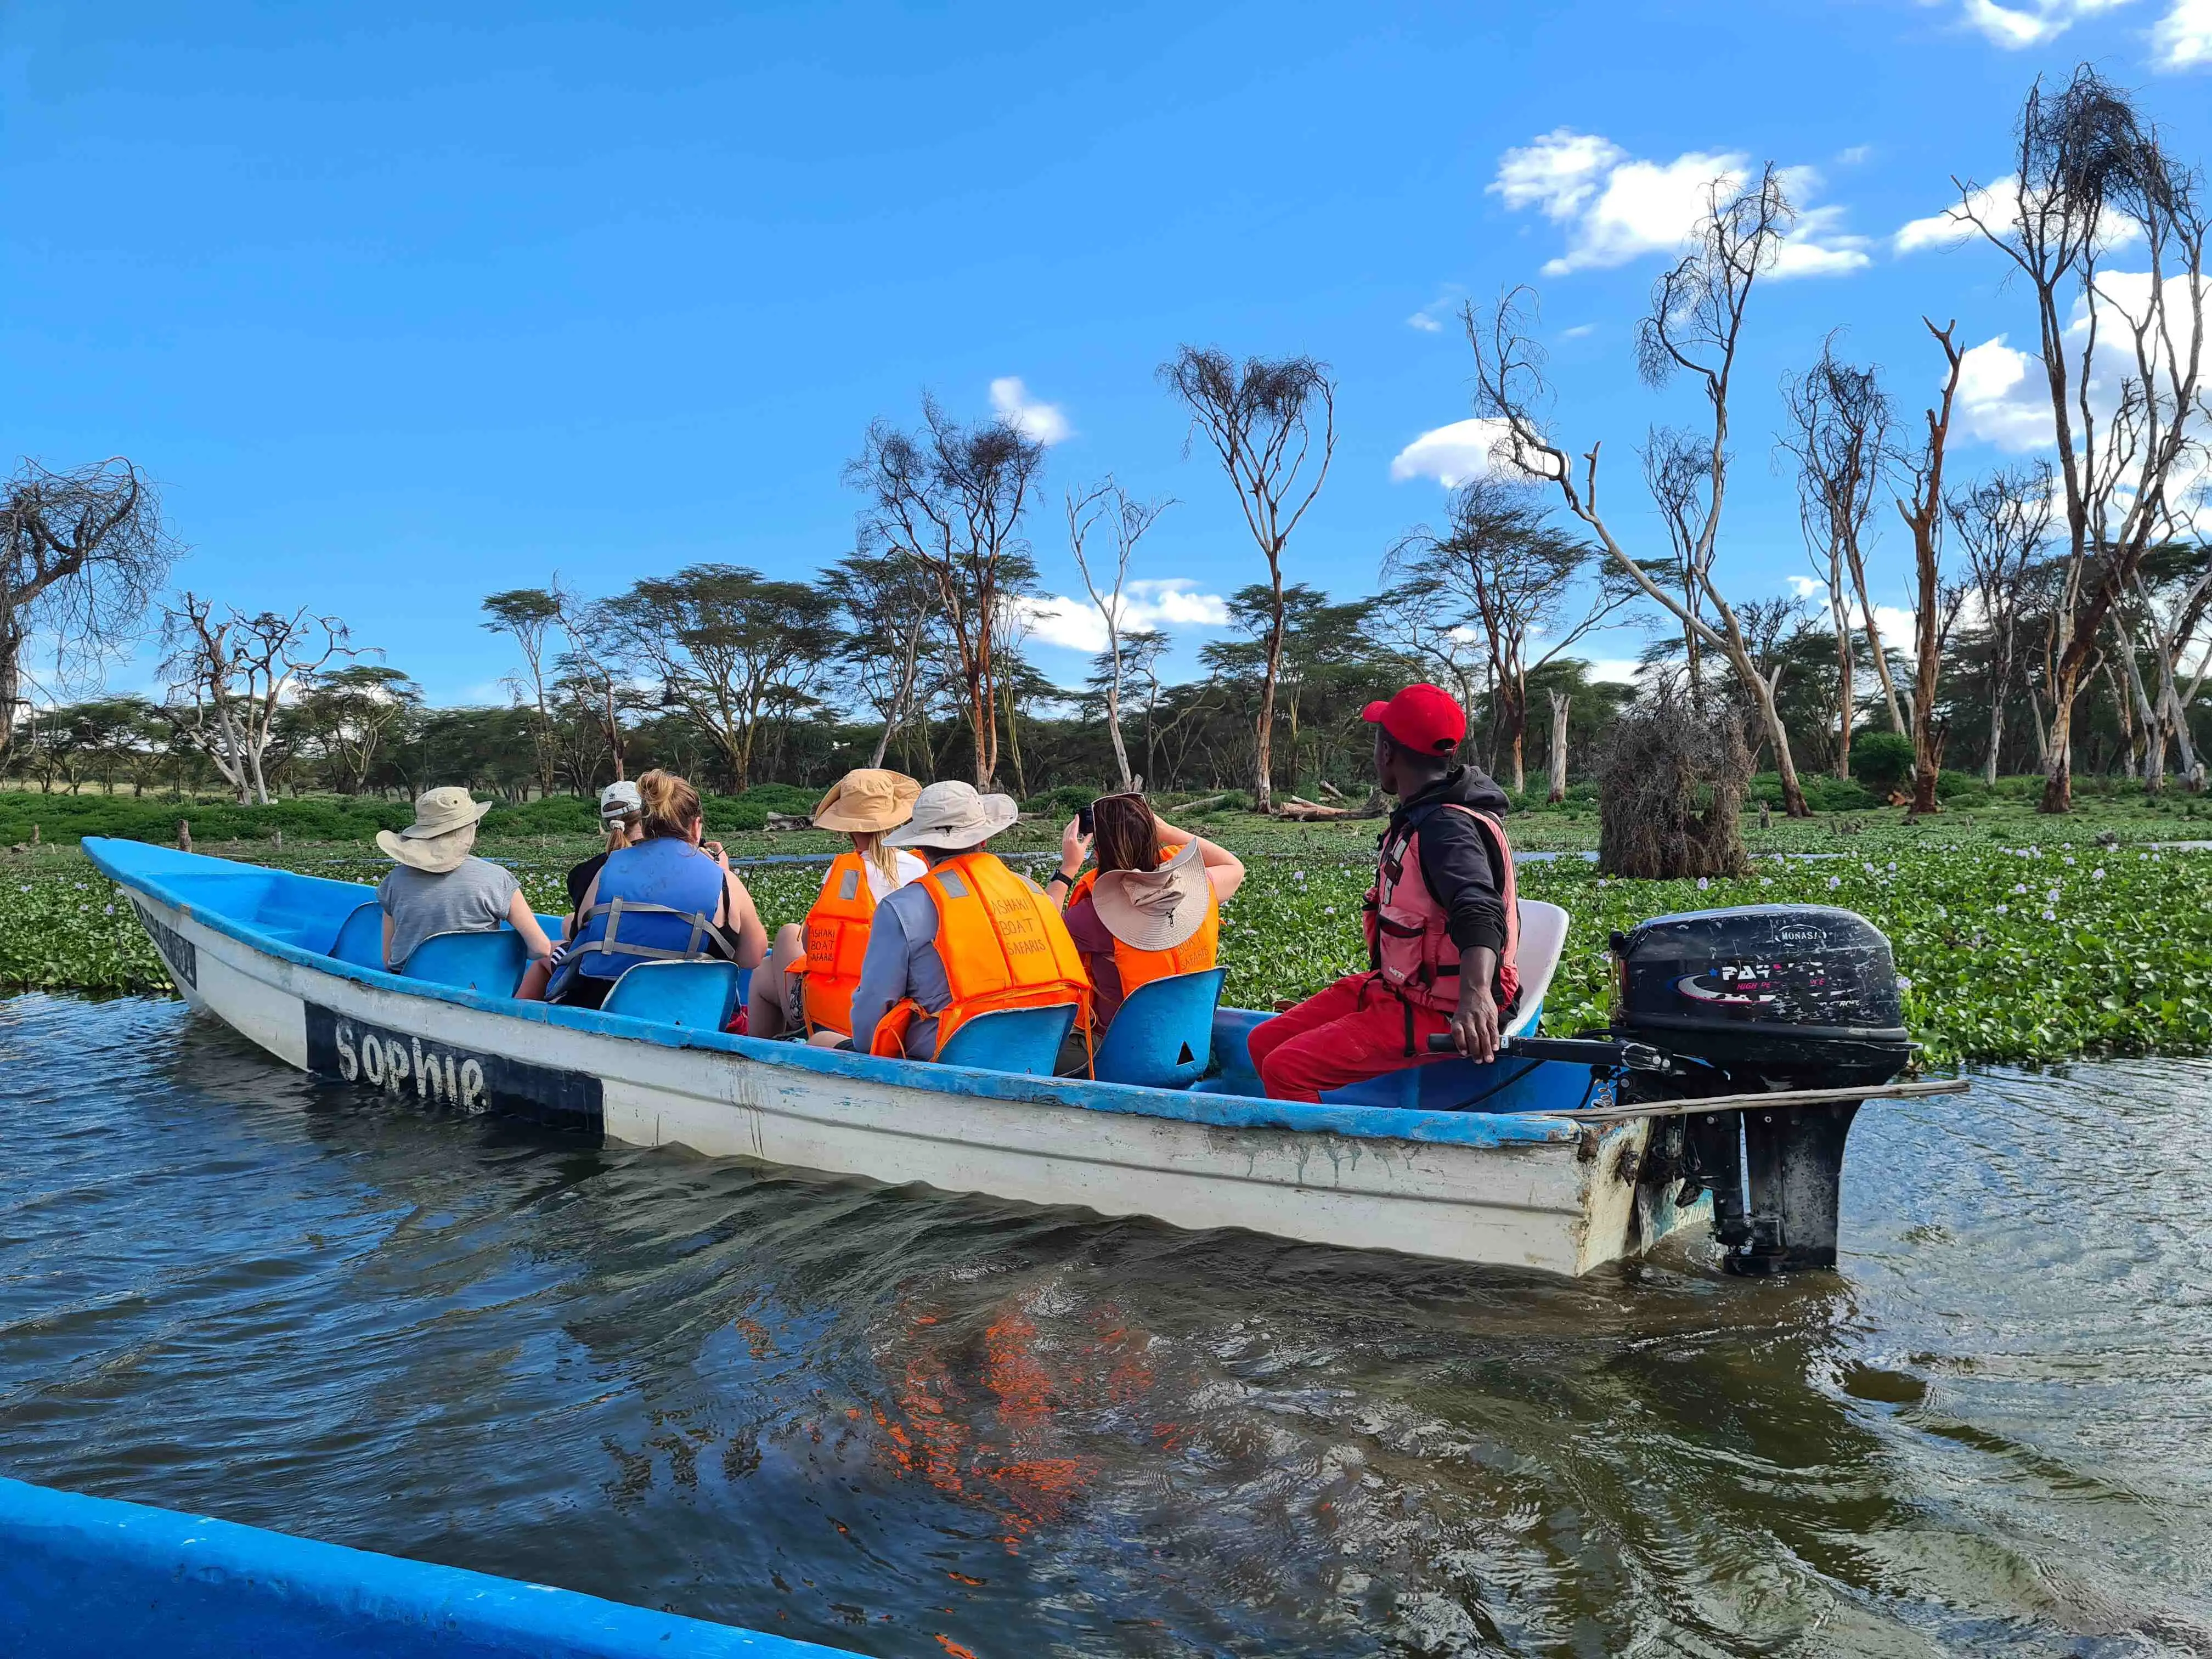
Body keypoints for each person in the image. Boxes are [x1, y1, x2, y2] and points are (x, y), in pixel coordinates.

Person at [1248, 684, 1520, 1103]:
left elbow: (1479, 907)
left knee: (1287, 1069)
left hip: (1443, 1007)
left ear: (1388, 753)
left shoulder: (1446, 827)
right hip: (1401, 989)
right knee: (1264, 1042)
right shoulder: (1424, 812)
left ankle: (1314, 1167)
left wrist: (1475, 995)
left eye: (1377, 743)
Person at [848, 780, 1091, 1062]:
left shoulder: (901, 907)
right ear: (985, 838)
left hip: (945, 1066)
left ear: (920, 844)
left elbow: (868, 1029)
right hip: (1037, 1056)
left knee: (823, 1040)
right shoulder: (1033, 891)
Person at [543, 769, 768, 1009]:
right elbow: (752, 957)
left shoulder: (608, 868)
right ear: (696, 826)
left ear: (646, 825)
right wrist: (725, 874)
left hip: (604, 1012)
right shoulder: (726, 882)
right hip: (688, 1015)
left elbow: (579, 936)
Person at [747, 768, 926, 1043]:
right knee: (769, 963)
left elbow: (811, 942)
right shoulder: (919, 868)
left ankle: (770, 1054)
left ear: (849, 827)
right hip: (902, 1004)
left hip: (840, 1009)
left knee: (775, 952)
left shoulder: (843, 872)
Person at [1049, 793, 1245, 1035]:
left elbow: (1044, 935)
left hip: (1121, 1053)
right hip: (1190, 1040)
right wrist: (1168, 830)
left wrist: (1067, 869)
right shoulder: (1197, 889)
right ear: (1154, 838)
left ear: (1098, 854)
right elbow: (1235, 867)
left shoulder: (1092, 916)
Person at [375, 786, 555, 974]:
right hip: (477, 985)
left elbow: (389, 960)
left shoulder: (394, 880)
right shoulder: (498, 878)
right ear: (473, 825)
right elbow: (541, 948)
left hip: (409, 981)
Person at [517, 779, 643, 1002]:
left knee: (546, 955)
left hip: (598, 972)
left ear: (606, 822)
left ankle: (516, 1019)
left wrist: (570, 926)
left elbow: (581, 931)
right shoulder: (670, 867)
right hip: (647, 967)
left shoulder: (584, 872)